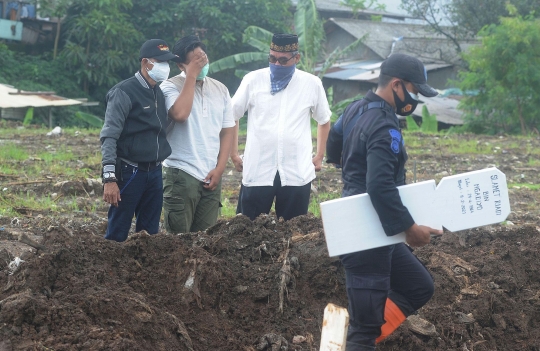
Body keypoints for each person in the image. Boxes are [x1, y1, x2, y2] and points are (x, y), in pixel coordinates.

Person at [326, 53, 444, 350]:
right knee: (363, 331)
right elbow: (379, 186)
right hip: (364, 231)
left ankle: (359, 332)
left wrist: (355, 171)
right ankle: (357, 337)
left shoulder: (354, 109)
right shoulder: (383, 126)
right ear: (396, 85)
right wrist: (410, 228)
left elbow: (333, 147)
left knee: (419, 286)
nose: (415, 99)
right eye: (414, 91)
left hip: (375, 226)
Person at [230, 33, 331, 221]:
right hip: (258, 169)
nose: (276, 65)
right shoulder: (253, 80)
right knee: (246, 232)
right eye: (272, 59)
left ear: (296, 58)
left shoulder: (311, 83)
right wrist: (234, 154)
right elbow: (231, 115)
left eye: (283, 60)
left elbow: (324, 120)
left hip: (296, 171)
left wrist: (319, 156)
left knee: (294, 232)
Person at [100, 39, 178, 242]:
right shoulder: (123, 92)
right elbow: (109, 135)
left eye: (167, 62)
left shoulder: (158, 93)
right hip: (130, 171)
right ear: (146, 62)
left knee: (149, 234)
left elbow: (161, 128)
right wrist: (109, 178)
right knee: (117, 232)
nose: (165, 67)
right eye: (160, 62)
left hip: (155, 172)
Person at [159, 35, 234, 233]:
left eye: (203, 59)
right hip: (181, 173)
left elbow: (227, 131)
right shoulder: (169, 86)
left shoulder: (221, 89)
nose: (202, 65)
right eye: (195, 62)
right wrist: (191, 76)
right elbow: (180, 114)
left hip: (211, 175)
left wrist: (219, 168)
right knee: (178, 242)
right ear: (181, 65)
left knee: (205, 241)